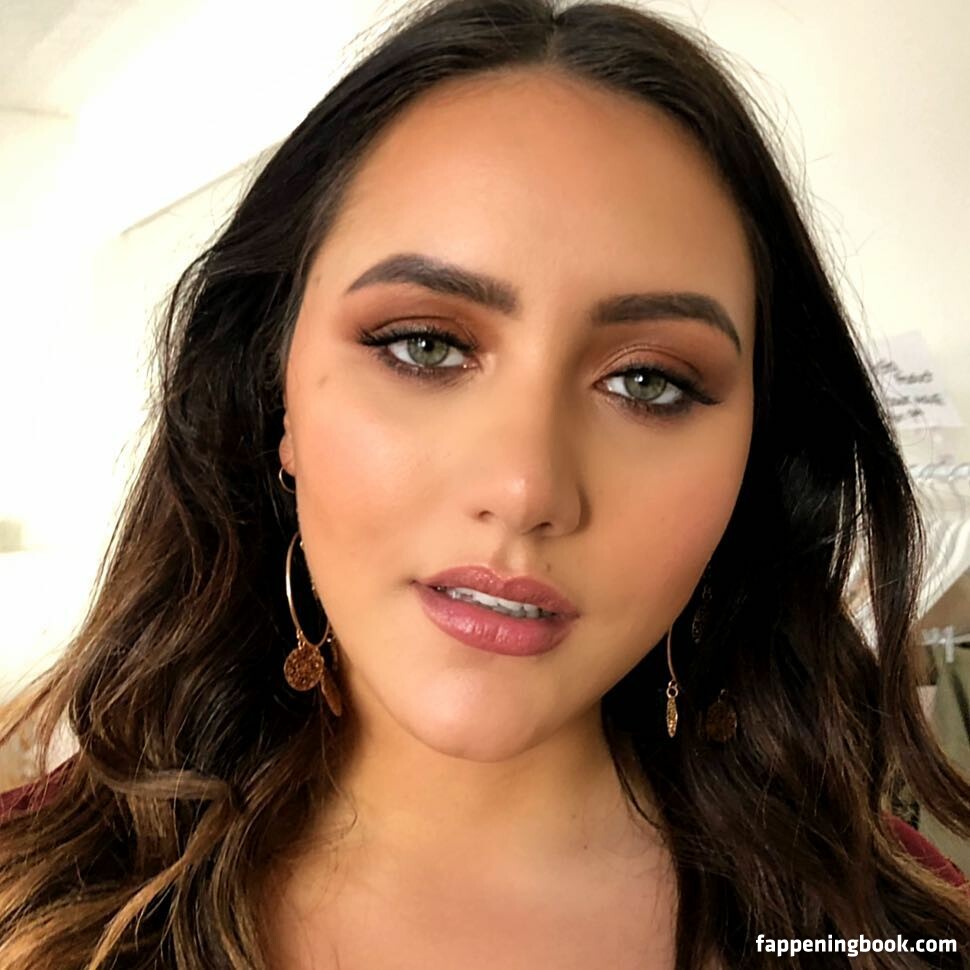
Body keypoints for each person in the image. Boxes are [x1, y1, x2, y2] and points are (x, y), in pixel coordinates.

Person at [1, 0, 968, 967]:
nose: (525, 487)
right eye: (425, 345)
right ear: (273, 393)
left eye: (648, 382)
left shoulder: (886, 928)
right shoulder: (26, 896)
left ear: (757, 458)